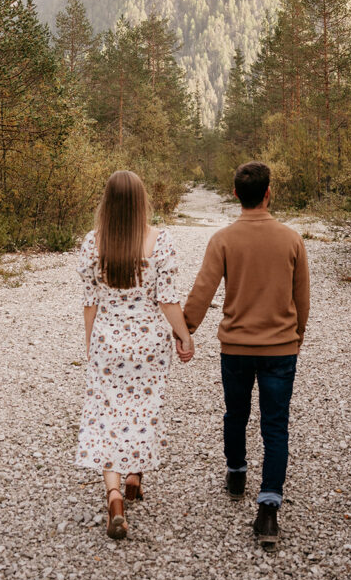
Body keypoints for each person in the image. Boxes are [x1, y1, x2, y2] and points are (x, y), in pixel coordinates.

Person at [182, 161, 309, 548]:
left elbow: (202, 291)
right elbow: (301, 298)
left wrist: (184, 328)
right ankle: (268, 510)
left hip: (234, 348)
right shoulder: (291, 239)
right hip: (280, 349)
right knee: (275, 425)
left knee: (235, 413)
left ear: (236, 194)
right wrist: (296, 336)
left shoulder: (223, 240)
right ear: (269, 193)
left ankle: (236, 474)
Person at [75, 170, 195, 539]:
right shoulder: (161, 242)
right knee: (142, 410)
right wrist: (184, 335)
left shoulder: (92, 244)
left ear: (107, 203)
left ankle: (114, 495)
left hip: (108, 341)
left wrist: (91, 344)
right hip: (148, 345)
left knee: (108, 413)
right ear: (142, 201)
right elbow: (168, 299)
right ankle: (133, 474)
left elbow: (90, 304)